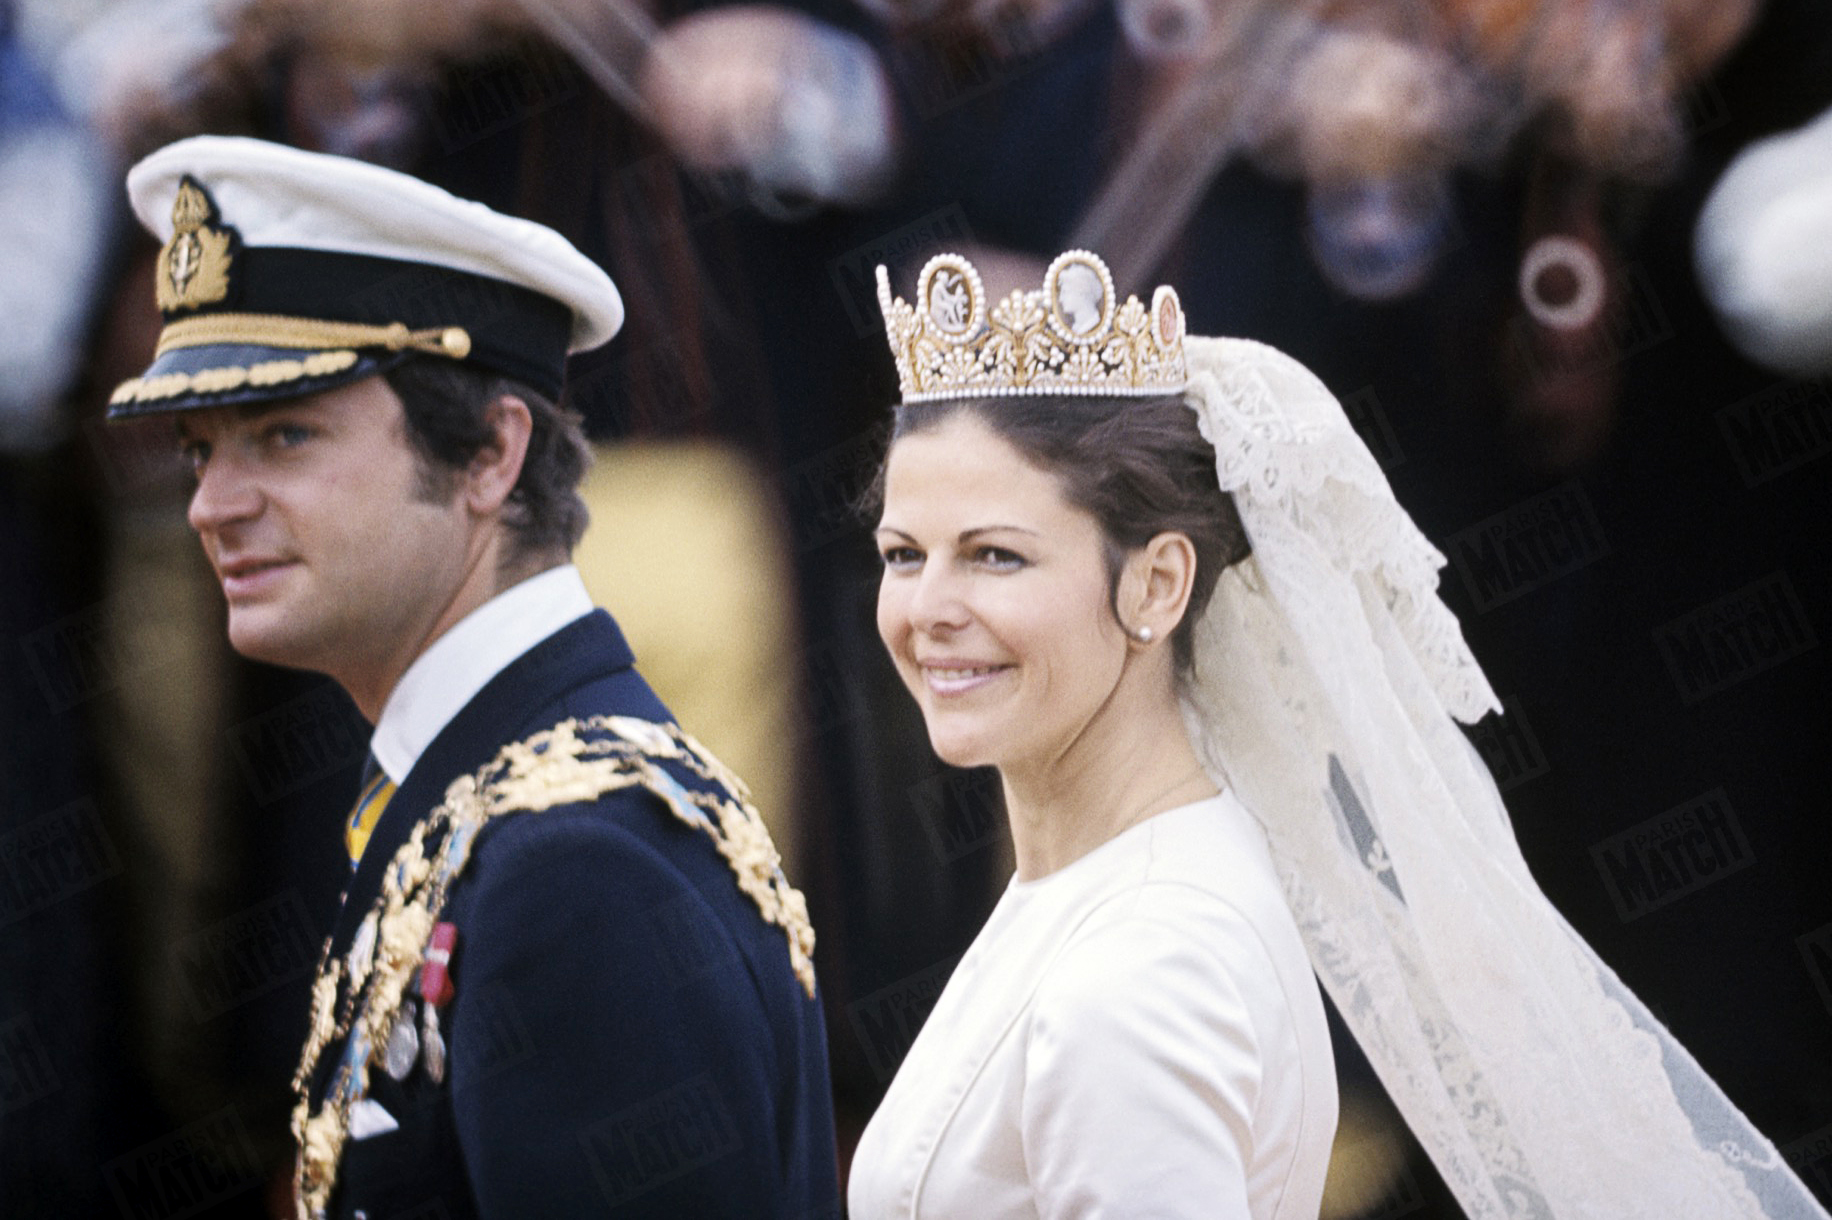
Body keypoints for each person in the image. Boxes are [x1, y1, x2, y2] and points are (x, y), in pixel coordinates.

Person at [847, 249, 1831, 1219]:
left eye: (994, 556)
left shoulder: (1139, 978)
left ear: (1155, 581)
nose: (926, 606)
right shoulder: (1102, 881)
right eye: (903, 553)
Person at [107, 135, 839, 1220]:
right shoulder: (492, 801)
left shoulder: (577, 867)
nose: (213, 502)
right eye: (200, 450)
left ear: (492, 454)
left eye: (285, 433)